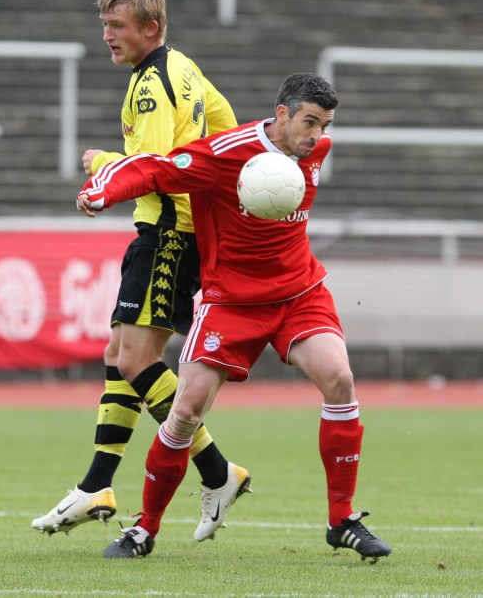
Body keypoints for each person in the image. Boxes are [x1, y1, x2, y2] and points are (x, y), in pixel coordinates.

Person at [76, 72, 393, 562]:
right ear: (282, 113)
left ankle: (342, 520)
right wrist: (103, 189)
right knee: (185, 412)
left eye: (325, 125)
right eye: (309, 122)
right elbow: (158, 169)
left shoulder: (316, 151)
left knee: (340, 381)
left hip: (298, 294)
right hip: (231, 302)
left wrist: (315, 135)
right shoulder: (225, 154)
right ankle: (144, 528)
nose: (317, 135)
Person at [32, 0, 251, 542]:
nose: (107, 34)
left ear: (150, 27)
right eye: (104, 23)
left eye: (117, 25)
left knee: (134, 362)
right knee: (118, 353)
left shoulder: (152, 84)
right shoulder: (186, 68)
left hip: (169, 233)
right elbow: (224, 129)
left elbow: (151, 169)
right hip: (175, 229)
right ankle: (97, 484)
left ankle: (217, 471)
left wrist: (104, 169)